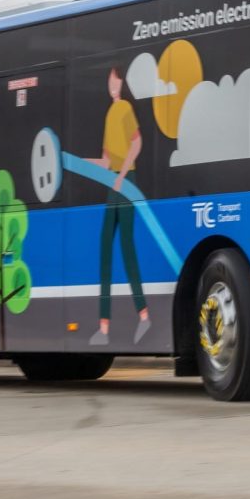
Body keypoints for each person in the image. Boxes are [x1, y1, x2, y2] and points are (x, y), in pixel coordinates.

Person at [87, 65, 150, 345]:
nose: (112, 83)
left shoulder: (124, 108)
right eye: (109, 79)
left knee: (126, 246)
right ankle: (103, 327)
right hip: (113, 182)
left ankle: (144, 315)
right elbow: (105, 160)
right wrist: (75, 163)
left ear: (122, 82)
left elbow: (136, 144)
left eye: (115, 79)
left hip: (125, 181)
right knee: (103, 245)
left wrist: (122, 176)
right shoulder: (109, 113)